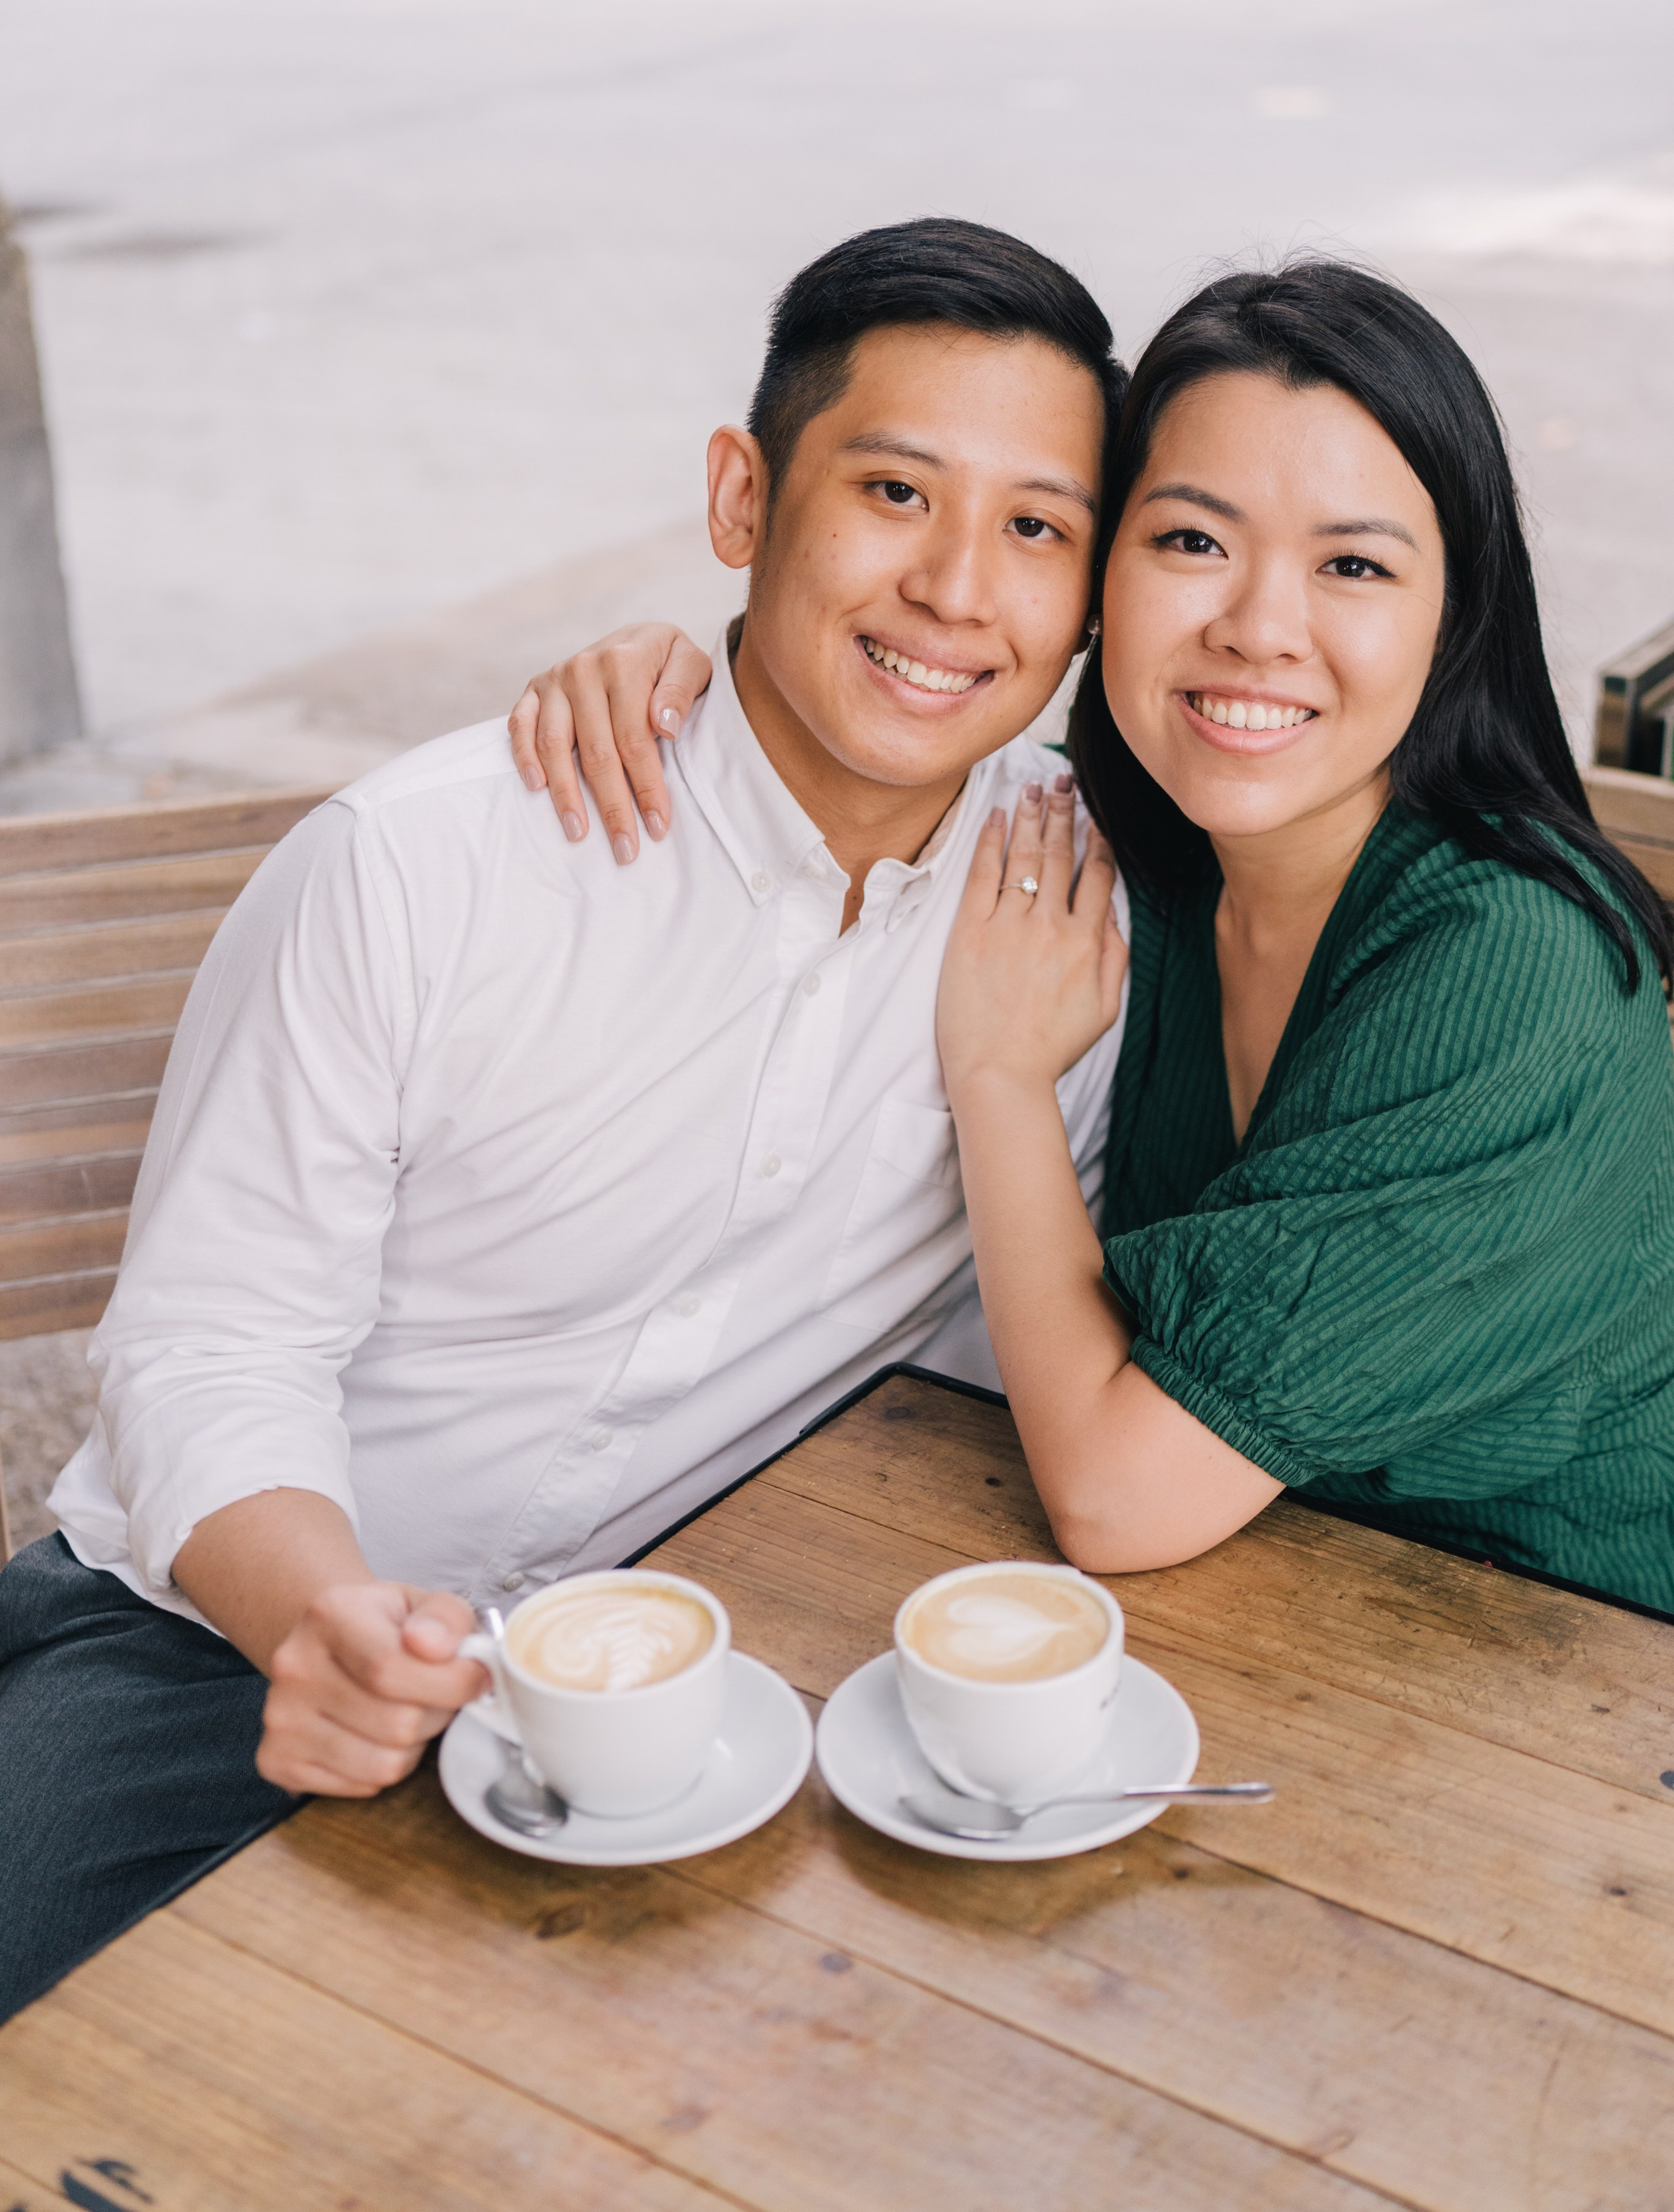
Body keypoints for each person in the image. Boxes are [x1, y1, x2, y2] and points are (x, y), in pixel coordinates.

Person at [0, 218, 1130, 2022]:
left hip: (721, 1683)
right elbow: (215, 1342)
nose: (957, 590)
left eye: (1038, 530)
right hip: (218, 1643)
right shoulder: (429, 866)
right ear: (741, 499)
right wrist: (319, 1621)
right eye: (897, 492)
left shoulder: (1078, 907)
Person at [538, 262, 1674, 1615]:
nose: (1256, 629)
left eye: (1352, 565)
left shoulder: (1503, 970)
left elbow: (1116, 1500)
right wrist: (679, 683)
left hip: (1564, 1683)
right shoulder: (1152, 853)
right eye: (1190, 541)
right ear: (1092, 582)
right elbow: (869, 711)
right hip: (1253, 1615)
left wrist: (1005, 1081)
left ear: (1452, 620)